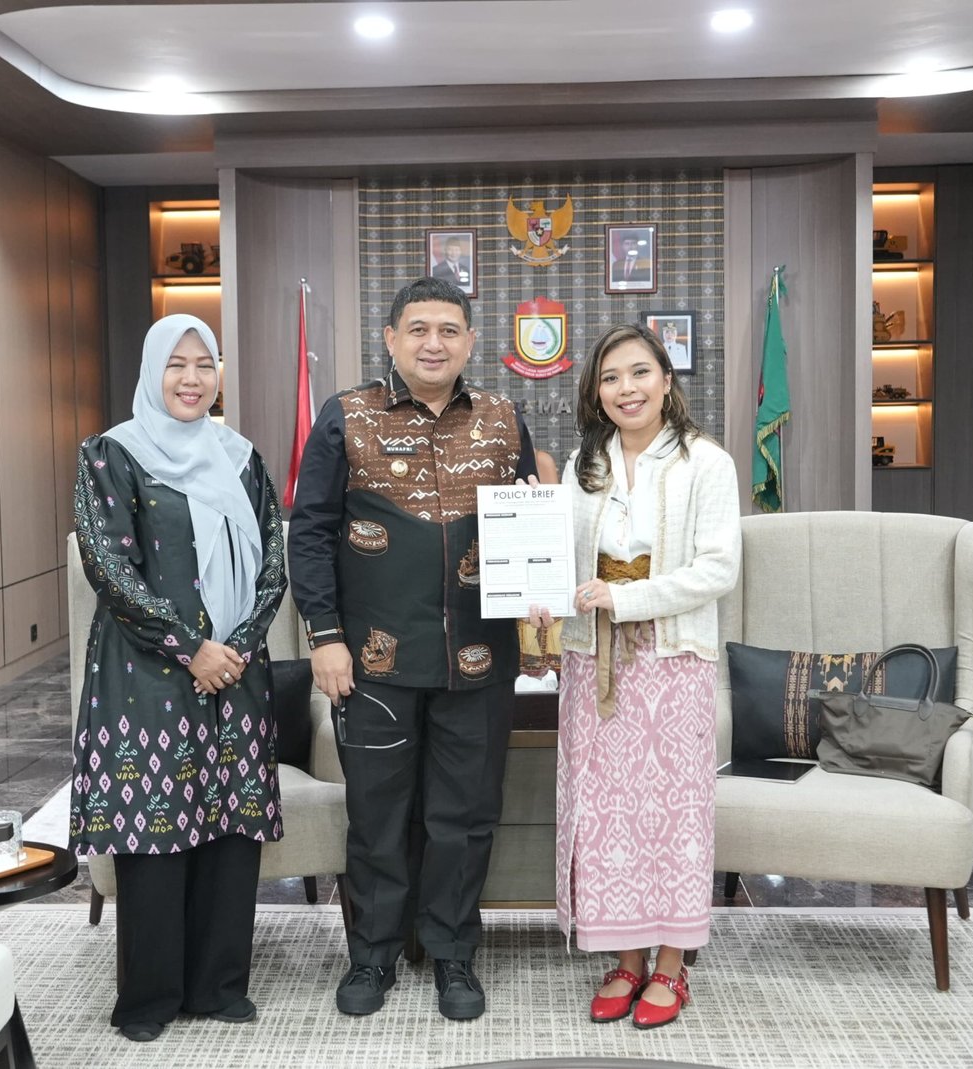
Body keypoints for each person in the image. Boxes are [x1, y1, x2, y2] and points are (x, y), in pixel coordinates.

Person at [289, 276, 538, 1021]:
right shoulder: (347, 416)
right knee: (378, 814)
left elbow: (530, 526)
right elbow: (310, 533)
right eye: (419, 329)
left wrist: (541, 614)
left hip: (481, 659)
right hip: (372, 660)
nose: (435, 343)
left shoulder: (502, 419)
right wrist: (325, 636)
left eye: (450, 330)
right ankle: (373, 954)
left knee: (466, 815)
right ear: (392, 339)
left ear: (470, 342)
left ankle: (453, 954)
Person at [70, 314, 288, 1043]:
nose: (192, 379)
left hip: (237, 673)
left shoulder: (242, 458)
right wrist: (192, 648)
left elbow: (273, 565)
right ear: (152, 370)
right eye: (177, 364)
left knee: (230, 828)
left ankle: (219, 985)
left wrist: (236, 647)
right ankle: (149, 998)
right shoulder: (114, 454)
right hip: (148, 674)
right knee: (155, 829)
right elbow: (110, 567)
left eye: (205, 364)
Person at [528, 323, 740, 1030]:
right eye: (611, 377)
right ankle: (625, 959)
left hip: (672, 657)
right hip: (594, 658)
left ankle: (672, 965)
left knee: (673, 815)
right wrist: (534, 572)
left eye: (640, 372)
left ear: (667, 380)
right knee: (605, 813)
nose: (627, 388)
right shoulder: (584, 465)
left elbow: (718, 568)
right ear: (596, 392)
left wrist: (627, 598)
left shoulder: (707, 462)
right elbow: (560, 558)